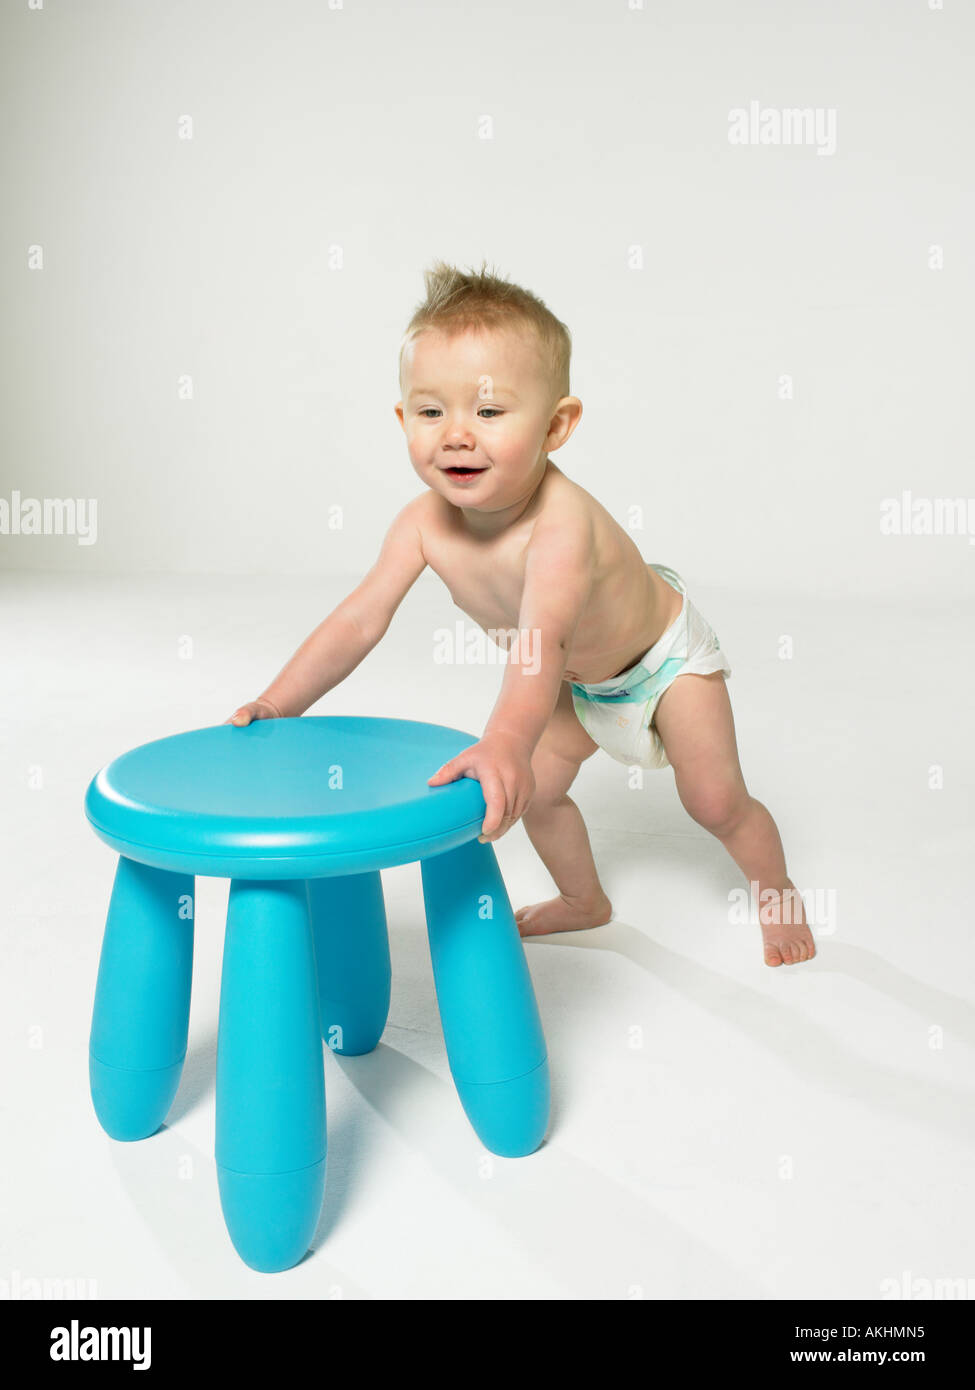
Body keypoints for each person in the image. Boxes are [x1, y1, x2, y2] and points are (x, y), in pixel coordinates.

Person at [227, 260, 814, 967]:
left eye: (489, 411)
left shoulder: (559, 526)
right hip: (577, 681)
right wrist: (277, 701)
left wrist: (503, 739)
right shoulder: (421, 523)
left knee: (715, 802)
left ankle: (775, 891)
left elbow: (541, 640)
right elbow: (359, 620)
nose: (456, 434)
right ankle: (583, 900)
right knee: (537, 792)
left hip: (659, 662)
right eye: (430, 411)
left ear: (556, 426)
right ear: (402, 418)